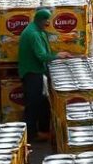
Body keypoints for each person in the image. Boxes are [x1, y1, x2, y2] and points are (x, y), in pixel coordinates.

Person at [18, 7, 69, 143]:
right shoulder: (33, 34)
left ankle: (42, 131)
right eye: (46, 21)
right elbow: (41, 55)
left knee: (42, 103)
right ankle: (32, 134)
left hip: (36, 71)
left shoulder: (35, 28)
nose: (48, 23)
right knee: (34, 104)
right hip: (32, 73)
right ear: (41, 20)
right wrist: (57, 56)